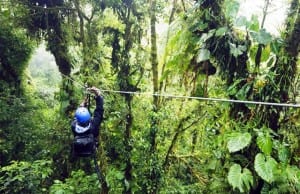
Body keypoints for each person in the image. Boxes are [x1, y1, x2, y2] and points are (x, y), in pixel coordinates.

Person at [71, 86, 104, 157]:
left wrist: (82, 106)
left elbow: (76, 117)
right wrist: (98, 95)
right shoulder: (93, 125)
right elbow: (99, 111)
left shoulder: (74, 126)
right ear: (89, 117)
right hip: (91, 148)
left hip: (79, 150)